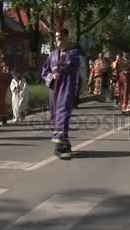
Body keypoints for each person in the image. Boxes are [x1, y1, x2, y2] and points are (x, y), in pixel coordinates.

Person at [42, 28, 80, 160]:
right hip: (54, 89)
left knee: (62, 113)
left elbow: (72, 66)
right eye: (57, 38)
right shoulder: (52, 55)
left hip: (66, 88)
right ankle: (65, 143)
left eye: (61, 38)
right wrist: (52, 76)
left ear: (67, 38)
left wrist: (61, 68)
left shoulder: (73, 53)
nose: (59, 40)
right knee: (54, 114)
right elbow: (44, 72)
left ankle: (59, 146)